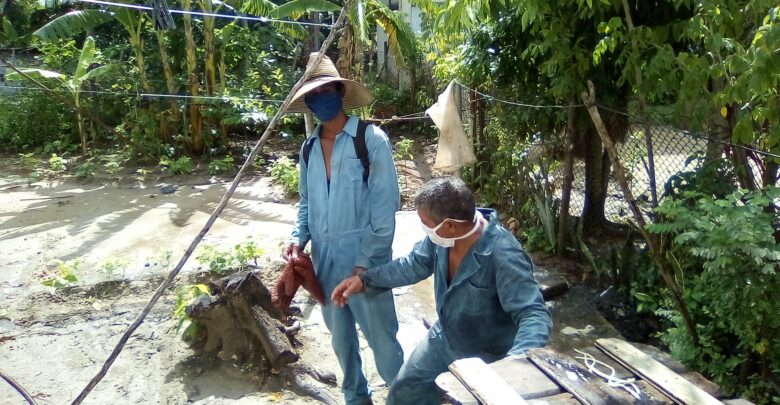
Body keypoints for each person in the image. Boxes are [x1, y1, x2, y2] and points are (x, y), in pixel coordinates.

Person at [331, 176, 553, 405]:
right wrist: (366, 280)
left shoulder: (503, 256)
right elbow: (414, 264)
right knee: (403, 394)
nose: (424, 227)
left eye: (425, 221)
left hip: (489, 356)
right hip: (445, 338)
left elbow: (533, 314)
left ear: (448, 225)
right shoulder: (442, 239)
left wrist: (514, 366)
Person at [284, 52, 404, 405]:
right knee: (341, 341)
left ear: (339, 91)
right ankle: (355, 398)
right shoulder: (307, 150)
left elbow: (384, 212)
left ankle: (404, 396)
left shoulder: (370, 140)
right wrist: (296, 240)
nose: (319, 100)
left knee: (383, 341)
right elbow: (306, 205)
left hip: (367, 262)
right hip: (324, 262)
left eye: (324, 92)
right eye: (312, 96)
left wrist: (364, 266)